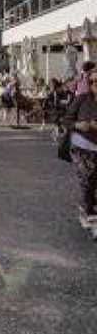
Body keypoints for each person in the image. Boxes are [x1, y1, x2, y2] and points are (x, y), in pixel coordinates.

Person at [63, 69, 97, 238]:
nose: (96, 85)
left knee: (93, 182)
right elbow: (66, 119)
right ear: (89, 84)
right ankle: (90, 214)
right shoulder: (82, 100)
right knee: (87, 178)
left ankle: (88, 209)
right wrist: (78, 125)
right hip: (82, 147)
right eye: (94, 82)